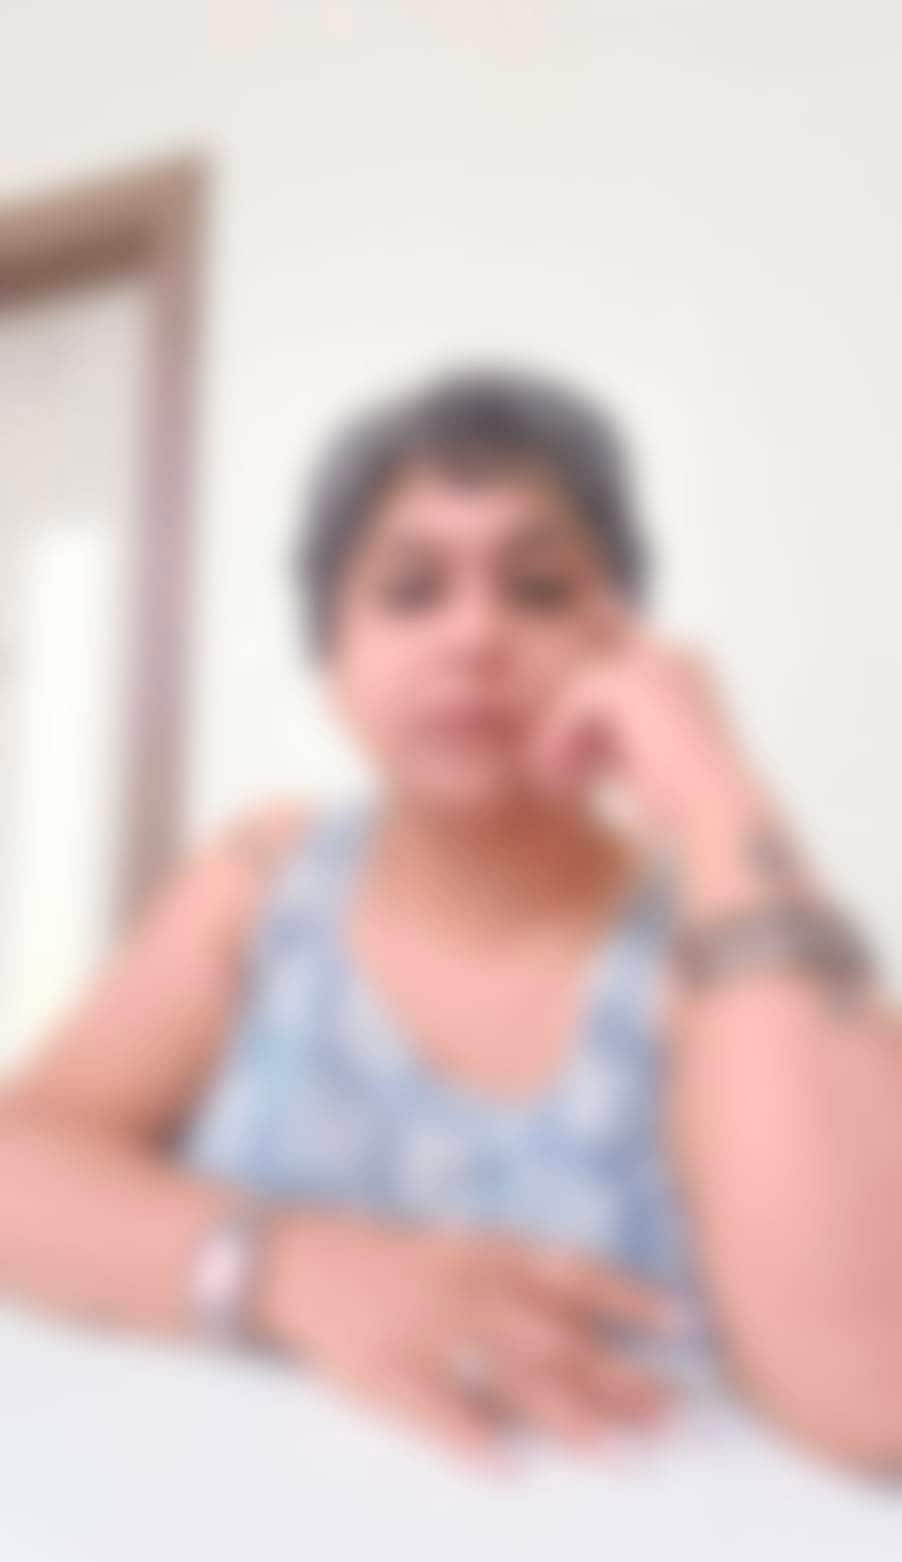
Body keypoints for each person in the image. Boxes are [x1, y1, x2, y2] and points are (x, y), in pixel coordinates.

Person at [1, 362, 901, 1474]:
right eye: (411, 590)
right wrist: (295, 1269)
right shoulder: (265, 880)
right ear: (333, 666)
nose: (474, 633)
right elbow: (18, 1167)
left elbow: (878, 1390)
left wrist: (718, 794)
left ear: (620, 645)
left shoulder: (713, 947)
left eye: (538, 588)